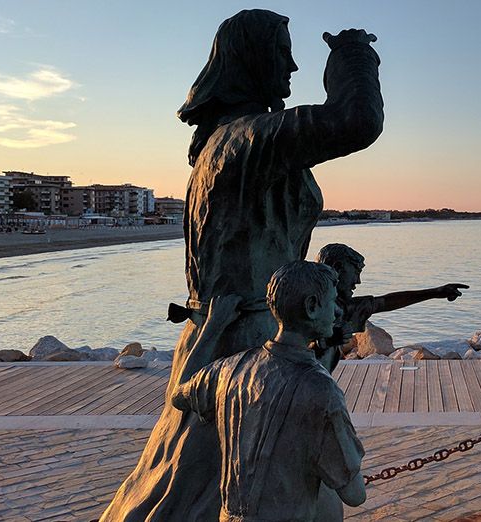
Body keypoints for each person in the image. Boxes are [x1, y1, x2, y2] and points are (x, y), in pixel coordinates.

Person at [101, 10, 383, 520]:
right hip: (244, 341)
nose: (294, 66)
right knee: (219, 487)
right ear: (249, 60)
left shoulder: (231, 143)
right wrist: (353, 55)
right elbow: (356, 120)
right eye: (281, 52)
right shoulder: (245, 141)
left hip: (242, 331)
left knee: (197, 482)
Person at [171, 261, 364, 522]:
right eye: (332, 302)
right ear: (311, 307)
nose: (338, 311)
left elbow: (179, 392)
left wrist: (212, 326)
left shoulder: (230, 369)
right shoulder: (320, 390)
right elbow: (355, 494)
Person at [313, 243, 468, 371]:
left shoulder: (341, 306)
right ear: (337, 268)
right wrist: (323, 342)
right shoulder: (308, 304)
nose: (358, 281)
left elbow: (386, 302)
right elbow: (294, 345)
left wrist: (436, 292)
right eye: (356, 272)